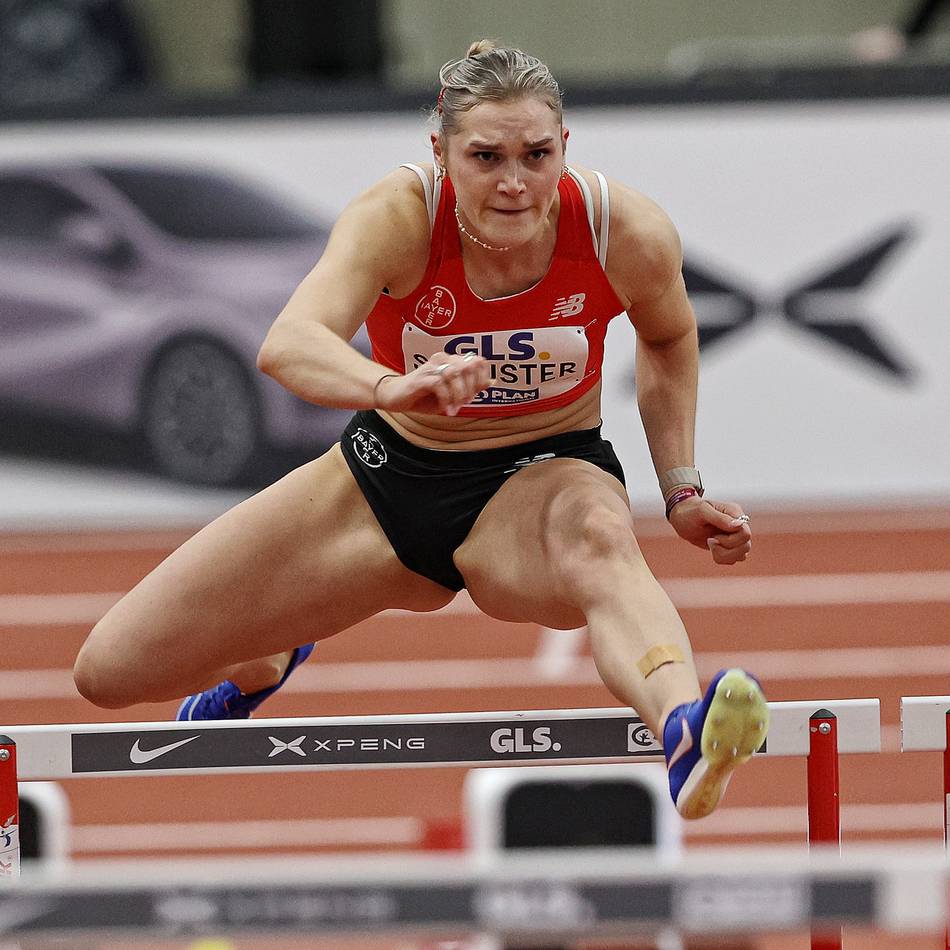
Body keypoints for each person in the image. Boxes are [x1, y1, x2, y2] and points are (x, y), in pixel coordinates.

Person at [73, 40, 767, 820]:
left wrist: (681, 488)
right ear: (439, 152)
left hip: (542, 480)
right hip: (384, 482)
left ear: (565, 148)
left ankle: (684, 728)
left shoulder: (622, 231)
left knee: (600, 540)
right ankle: (263, 659)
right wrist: (393, 387)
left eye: (537, 155)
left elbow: (669, 337)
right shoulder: (398, 218)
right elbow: (288, 343)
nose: (513, 182)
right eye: (485, 156)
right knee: (107, 670)